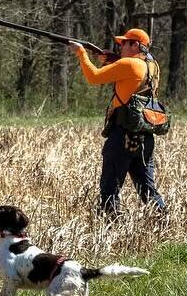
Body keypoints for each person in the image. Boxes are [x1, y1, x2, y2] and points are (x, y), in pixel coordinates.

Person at [69, 28, 166, 218]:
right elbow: (131, 79)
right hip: (145, 137)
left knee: (110, 188)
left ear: (136, 45)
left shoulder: (129, 63)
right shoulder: (153, 65)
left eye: (125, 43)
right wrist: (109, 60)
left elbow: (94, 77)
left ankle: (111, 226)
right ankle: (164, 221)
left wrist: (81, 52)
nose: (120, 46)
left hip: (122, 135)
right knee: (147, 189)